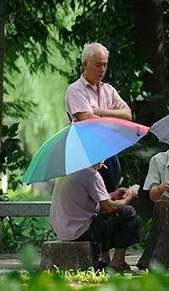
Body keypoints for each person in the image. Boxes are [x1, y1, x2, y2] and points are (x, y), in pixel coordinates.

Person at [65, 42, 133, 192]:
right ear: (85, 64)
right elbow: (88, 120)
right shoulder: (75, 90)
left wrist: (102, 112)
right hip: (86, 156)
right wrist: (115, 120)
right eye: (97, 65)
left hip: (108, 151)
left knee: (112, 195)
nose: (102, 70)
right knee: (89, 203)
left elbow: (128, 115)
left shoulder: (109, 90)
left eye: (105, 65)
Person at [49, 163, 140, 271]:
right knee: (128, 212)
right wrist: (128, 198)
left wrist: (112, 195)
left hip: (63, 230)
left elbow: (89, 197)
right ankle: (118, 261)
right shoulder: (90, 174)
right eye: (101, 161)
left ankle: (104, 259)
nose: (103, 165)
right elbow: (110, 207)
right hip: (81, 231)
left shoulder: (69, 172)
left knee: (101, 215)